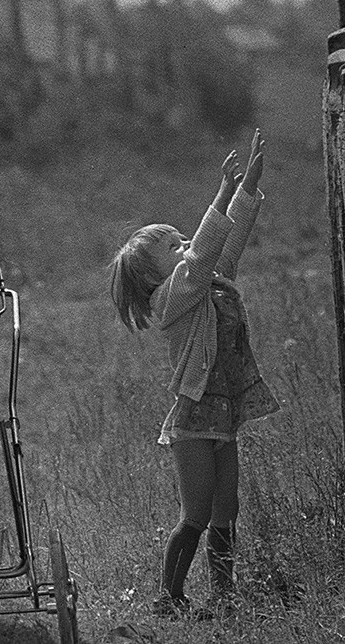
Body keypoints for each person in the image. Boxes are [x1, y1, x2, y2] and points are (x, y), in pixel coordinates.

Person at [109, 129, 277, 619]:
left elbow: (226, 247)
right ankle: (171, 595)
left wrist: (246, 191)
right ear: (152, 277)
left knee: (228, 512)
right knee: (197, 515)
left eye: (183, 239)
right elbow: (202, 257)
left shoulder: (204, 281)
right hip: (193, 421)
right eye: (172, 246)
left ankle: (223, 594)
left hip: (222, 413)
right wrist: (221, 194)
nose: (184, 246)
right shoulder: (172, 297)